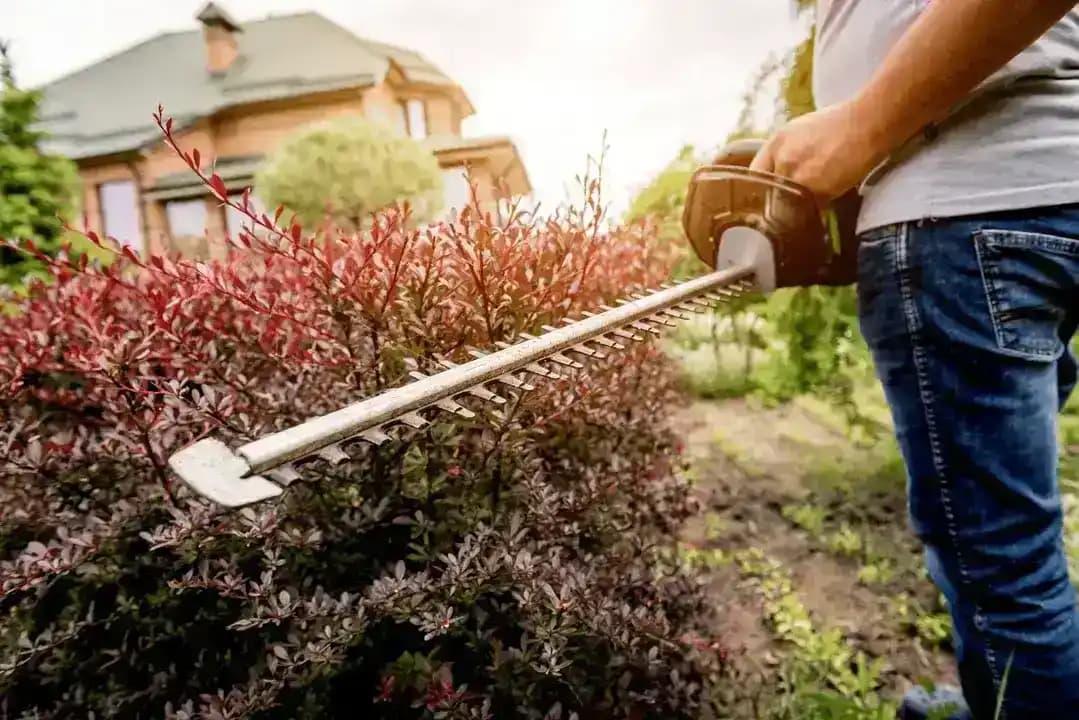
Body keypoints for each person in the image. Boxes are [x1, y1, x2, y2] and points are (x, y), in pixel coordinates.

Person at [750, 1, 1079, 718]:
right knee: (1008, 538)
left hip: (963, 209)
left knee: (1002, 564)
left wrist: (861, 126)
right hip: (1045, 189)